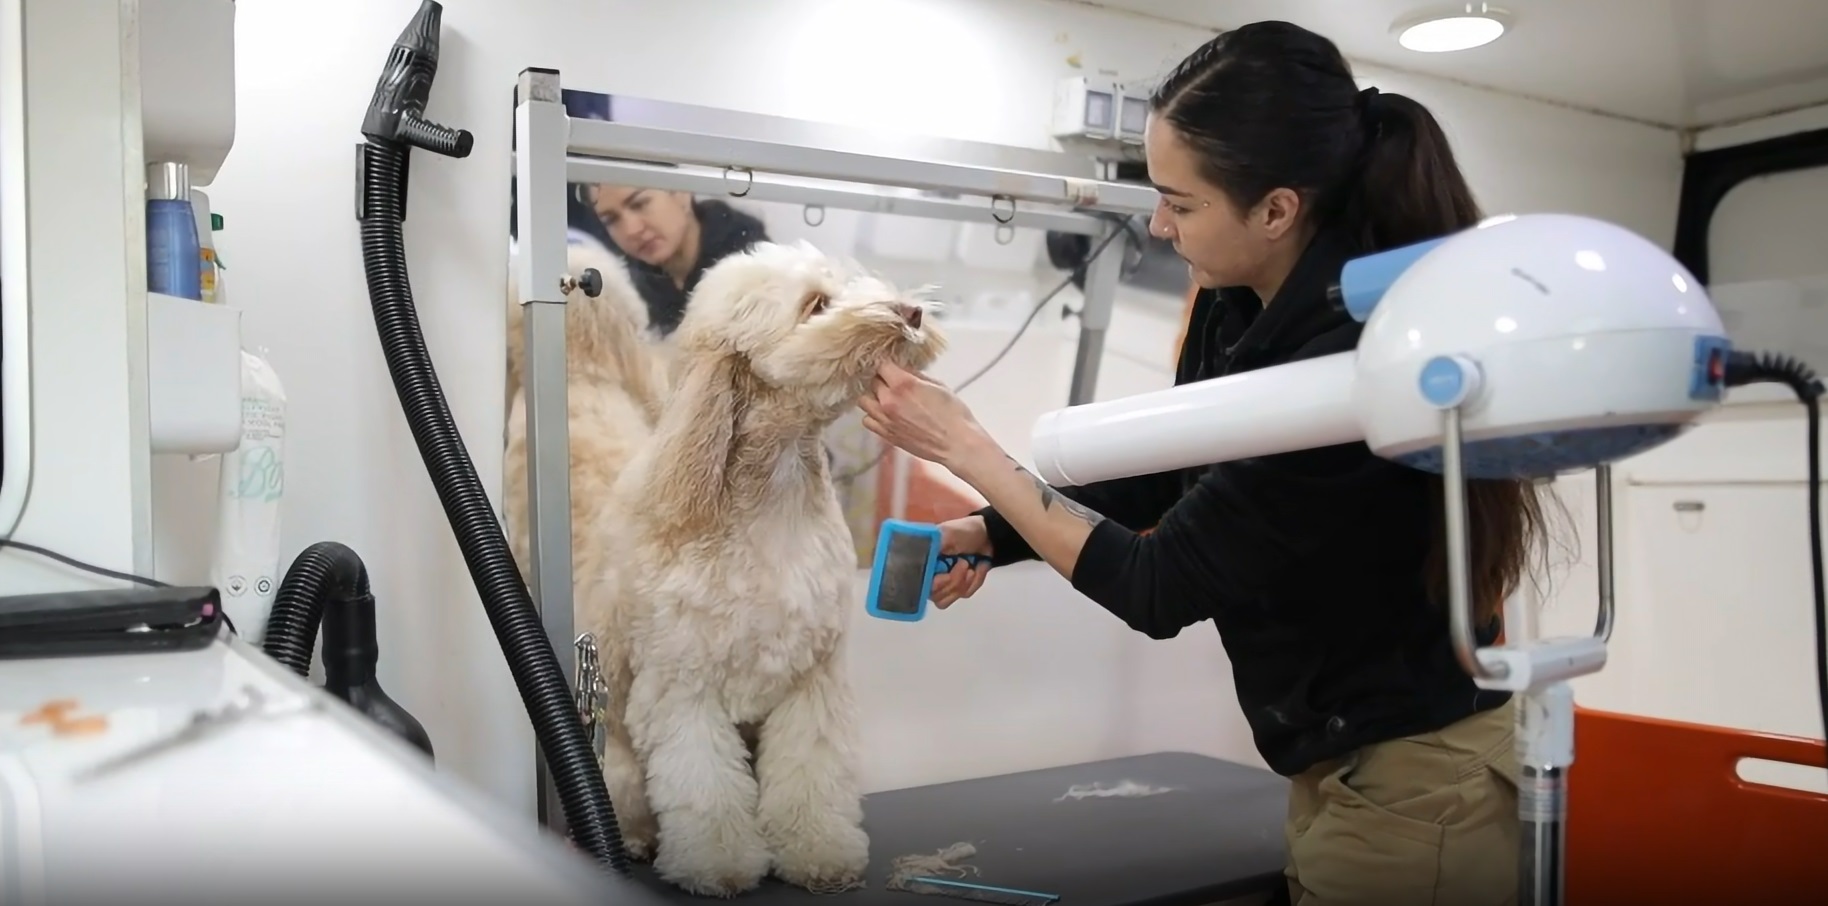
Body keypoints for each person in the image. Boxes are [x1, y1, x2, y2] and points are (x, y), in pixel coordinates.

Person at [858, 21, 1544, 906]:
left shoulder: (1356, 362)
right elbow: (1174, 471)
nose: (1157, 223)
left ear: (1276, 209)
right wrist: (993, 532)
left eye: (1182, 204)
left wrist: (972, 452)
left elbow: (1161, 585)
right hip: (1335, 758)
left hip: (1420, 775)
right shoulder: (1239, 300)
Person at [587, 184, 769, 336]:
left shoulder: (755, 273)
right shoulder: (630, 294)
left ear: (681, 193)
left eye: (639, 204)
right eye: (611, 220)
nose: (631, 230)